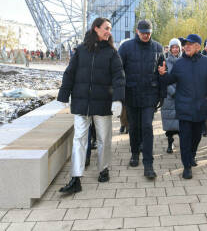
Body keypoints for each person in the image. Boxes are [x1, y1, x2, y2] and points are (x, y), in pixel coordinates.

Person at [57, 17, 125, 193]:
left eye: (109, 29)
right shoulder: (81, 51)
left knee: (104, 139)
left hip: (103, 104)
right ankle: (76, 178)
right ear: (96, 28)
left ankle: (103, 168)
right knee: (79, 139)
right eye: (106, 28)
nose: (109, 31)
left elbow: (119, 77)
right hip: (81, 103)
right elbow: (69, 73)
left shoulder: (111, 53)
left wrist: (118, 99)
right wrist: (64, 94)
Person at [159, 34, 207, 179]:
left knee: (196, 136)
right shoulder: (179, 63)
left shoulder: (206, 61)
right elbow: (170, 80)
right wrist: (163, 74)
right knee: (185, 137)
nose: (186, 47)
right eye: (184, 44)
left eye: (189, 44)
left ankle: (192, 155)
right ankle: (187, 166)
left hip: (200, 107)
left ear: (198, 46)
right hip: (184, 107)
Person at [118, 19, 165, 179]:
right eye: (143, 32)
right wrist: (119, 95)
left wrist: (161, 95)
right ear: (137, 31)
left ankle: (148, 164)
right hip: (131, 95)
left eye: (148, 32)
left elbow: (162, 73)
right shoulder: (126, 47)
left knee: (147, 127)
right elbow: (119, 72)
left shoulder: (158, 48)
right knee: (134, 127)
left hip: (149, 96)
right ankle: (134, 153)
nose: (145, 35)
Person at [161, 38, 182, 153]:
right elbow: (163, 78)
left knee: (181, 123)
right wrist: (173, 91)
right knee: (169, 124)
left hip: (182, 96)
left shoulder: (184, 60)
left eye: (176, 47)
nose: (174, 49)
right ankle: (170, 143)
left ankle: (182, 143)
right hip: (169, 97)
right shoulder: (165, 61)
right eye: (172, 47)